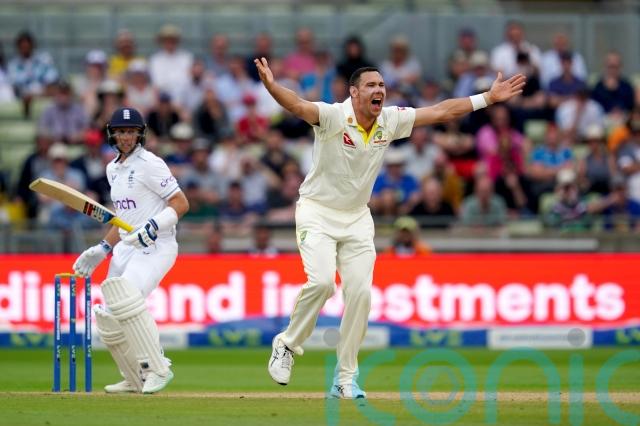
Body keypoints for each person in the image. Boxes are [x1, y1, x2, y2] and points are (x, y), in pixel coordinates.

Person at [254, 57, 524, 398]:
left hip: (357, 218)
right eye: (370, 85)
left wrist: (487, 97)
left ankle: (345, 379)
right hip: (317, 212)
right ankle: (287, 344)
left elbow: (441, 112)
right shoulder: (334, 116)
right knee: (322, 283)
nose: (378, 90)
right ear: (354, 92)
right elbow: (297, 105)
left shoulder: (390, 120)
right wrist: (272, 87)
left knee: (361, 295)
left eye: (381, 85)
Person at [72, 107, 189, 394]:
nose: (126, 137)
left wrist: (153, 225)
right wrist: (102, 248)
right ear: (112, 134)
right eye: (121, 131)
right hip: (125, 248)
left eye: (131, 132)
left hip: (155, 246)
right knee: (109, 316)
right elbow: (123, 219)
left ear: (140, 134)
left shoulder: (151, 164)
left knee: (126, 299)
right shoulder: (112, 169)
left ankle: (158, 368)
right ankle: (135, 376)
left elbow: (181, 203)